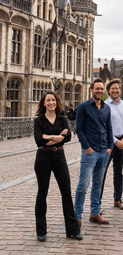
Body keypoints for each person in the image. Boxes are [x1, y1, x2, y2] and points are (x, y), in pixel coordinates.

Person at [34, 91, 82, 242]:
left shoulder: (62, 118)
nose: (51, 103)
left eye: (53, 100)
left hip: (59, 156)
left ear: (57, 102)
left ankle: (73, 231)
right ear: (43, 103)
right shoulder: (39, 120)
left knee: (66, 192)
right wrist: (57, 137)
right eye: (48, 100)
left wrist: (47, 137)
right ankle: (41, 231)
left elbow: (67, 137)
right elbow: (38, 141)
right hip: (43, 157)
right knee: (42, 193)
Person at [75, 78, 113, 225]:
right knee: (83, 185)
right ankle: (77, 216)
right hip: (91, 152)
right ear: (91, 90)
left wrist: (110, 146)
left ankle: (94, 213)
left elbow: (109, 128)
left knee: (98, 184)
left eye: (102, 89)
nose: (100, 91)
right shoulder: (84, 107)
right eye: (97, 89)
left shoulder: (106, 108)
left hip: (104, 151)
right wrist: (87, 147)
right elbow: (79, 129)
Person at [100, 79, 123, 210]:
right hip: (108, 143)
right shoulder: (104, 105)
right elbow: (104, 127)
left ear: (120, 90)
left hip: (122, 142)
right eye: (112, 89)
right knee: (102, 173)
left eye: (117, 88)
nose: (115, 91)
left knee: (119, 172)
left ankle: (117, 199)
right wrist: (115, 141)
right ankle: (98, 203)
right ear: (108, 91)